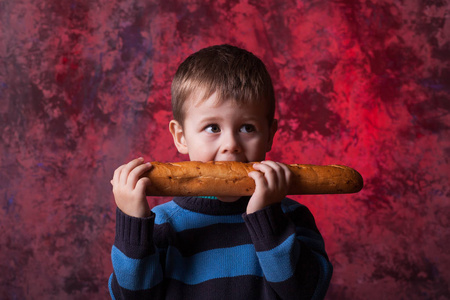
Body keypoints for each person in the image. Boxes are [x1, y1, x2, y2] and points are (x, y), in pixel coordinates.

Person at [109, 44, 332, 299]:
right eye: (213, 127)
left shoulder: (291, 217)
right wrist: (133, 223)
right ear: (181, 137)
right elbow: (131, 297)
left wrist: (268, 218)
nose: (231, 146)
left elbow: (307, 293)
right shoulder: (161, 224)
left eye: (247, 128)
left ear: (270, 135)